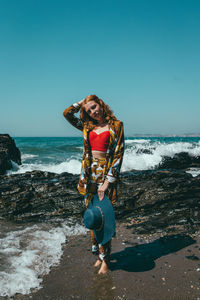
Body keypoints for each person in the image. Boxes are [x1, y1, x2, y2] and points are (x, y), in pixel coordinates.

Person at [63, 94, 124, 274]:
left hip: (105, 177)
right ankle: (98, 254)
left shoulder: (116, 126)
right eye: (89, 110)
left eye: (94, 107)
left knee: (105, 218)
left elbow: (118, 155)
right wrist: (80, 103)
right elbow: (67, 114)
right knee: (93, 216)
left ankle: (106, 260)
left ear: (101, 105)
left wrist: (107, 183)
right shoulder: (87, 126)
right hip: (88, 177)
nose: (93, 111)